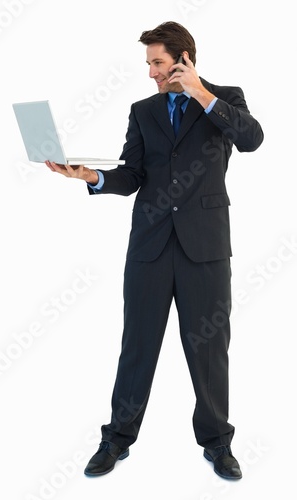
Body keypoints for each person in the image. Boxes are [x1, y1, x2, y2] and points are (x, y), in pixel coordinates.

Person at [45, 21, 264, 480]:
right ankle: (117, 440)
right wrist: (89, 177)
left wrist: (202, 94)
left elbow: (251, 139)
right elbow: (132, 175)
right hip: (150, 245)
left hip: (204, 247)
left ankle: (217, 443)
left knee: (209, 349)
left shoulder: (225, 98)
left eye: (158, 63)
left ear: (184, 59)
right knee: (137, 345)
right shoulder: (143, 110)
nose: (150, 73)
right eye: (148, 64)